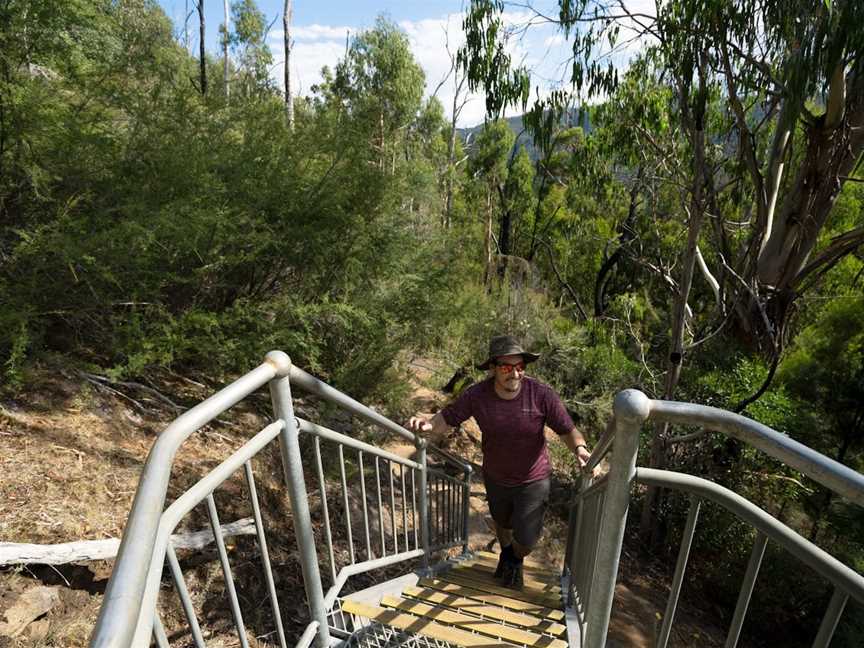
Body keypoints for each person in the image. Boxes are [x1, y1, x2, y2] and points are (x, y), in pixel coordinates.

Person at [408, 335, 592, 589]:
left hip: (534, 478)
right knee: (502, 523)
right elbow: (448, 417)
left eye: (520, 367)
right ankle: (507, 553)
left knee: (527, 539)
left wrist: (580, 449)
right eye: (507, 367)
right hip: (496, 476)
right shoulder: (477, 396)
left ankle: (514, 559)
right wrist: (428, 425)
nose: (515, 374)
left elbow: (566, 429)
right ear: (493, 368)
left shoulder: (541, 395)